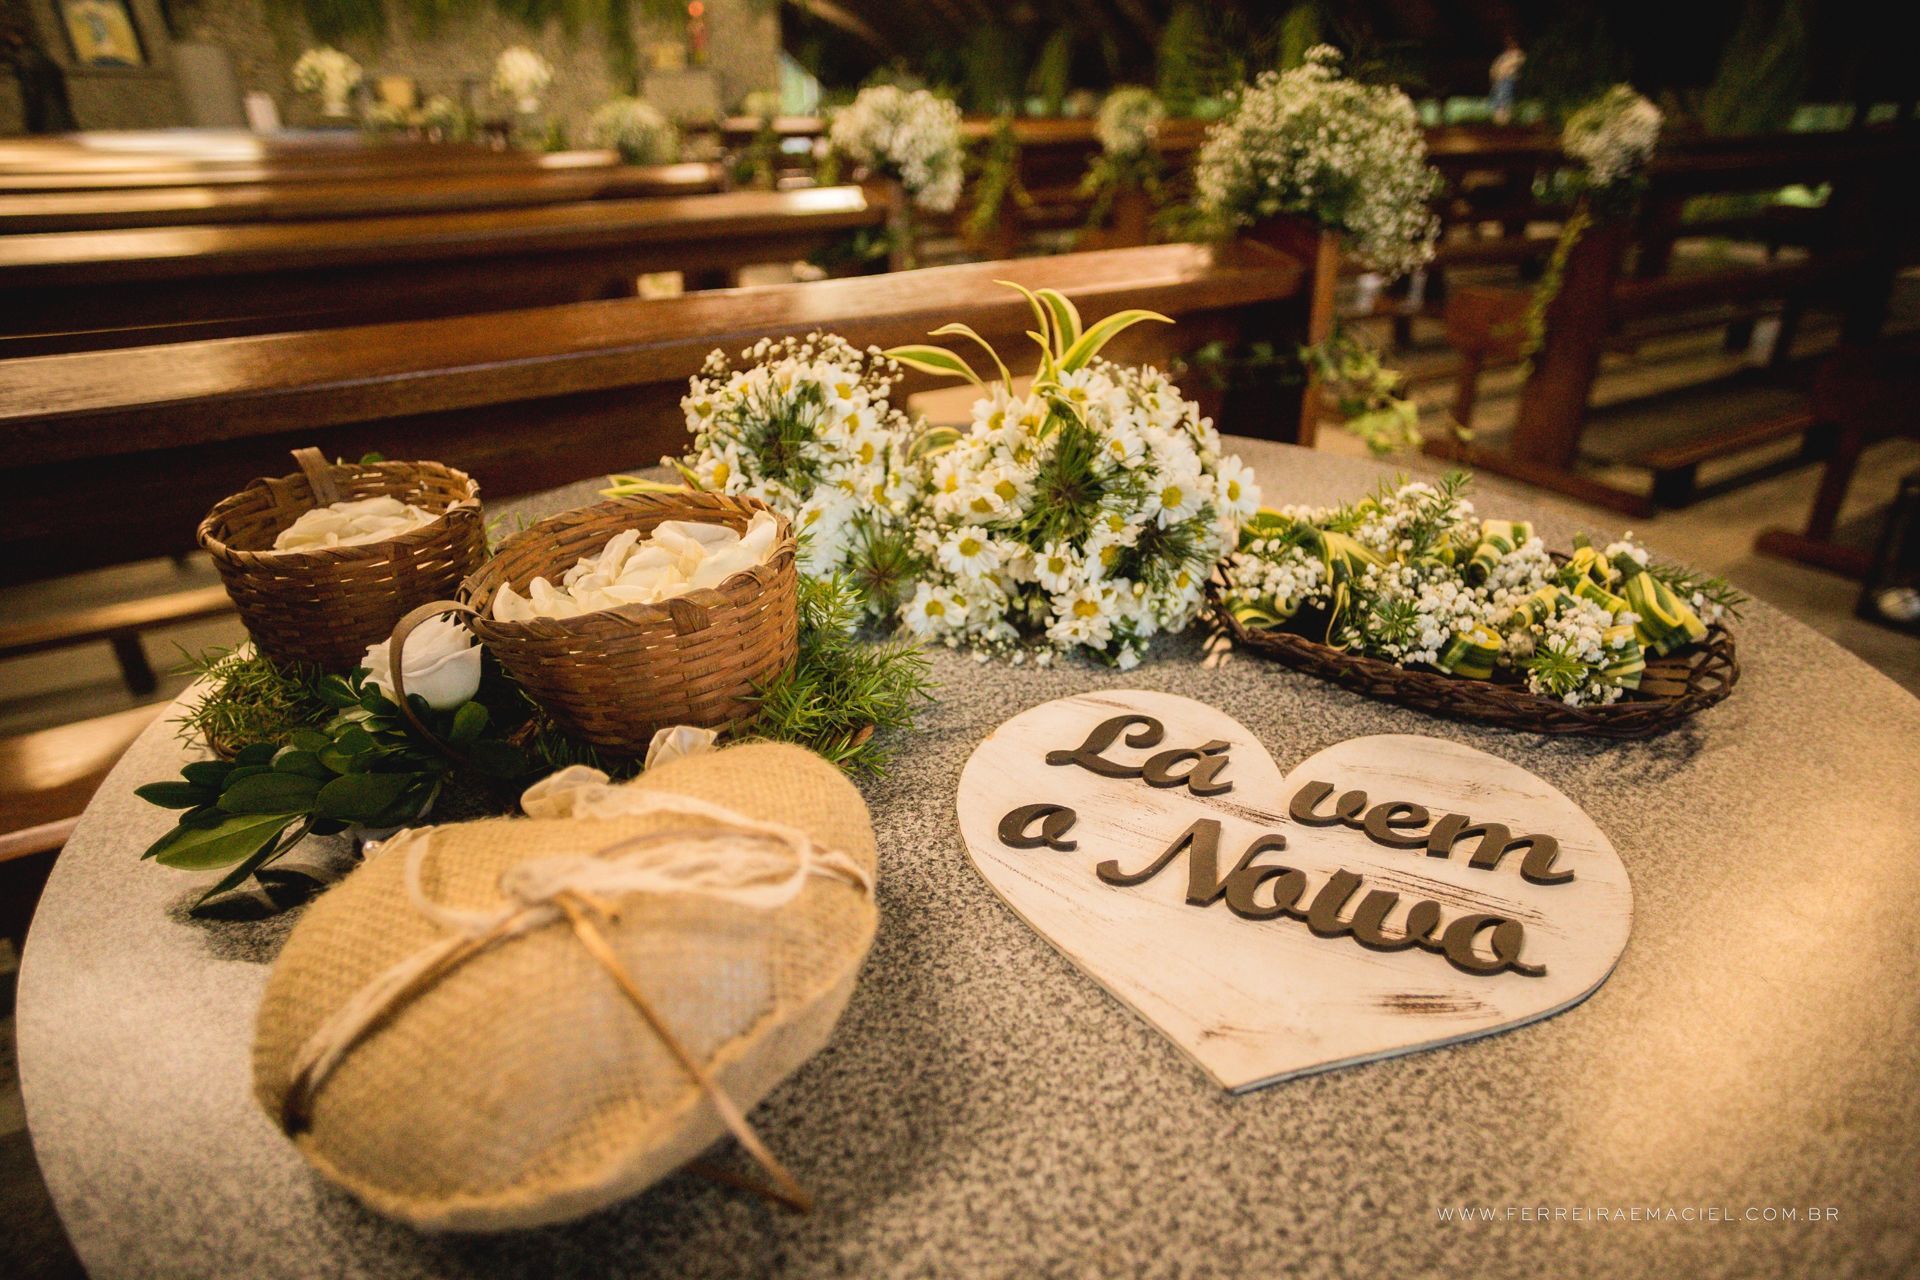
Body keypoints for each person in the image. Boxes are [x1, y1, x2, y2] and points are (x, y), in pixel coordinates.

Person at [1489, 36, 1524, 125]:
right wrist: (1495, 77)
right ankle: (1498, 119)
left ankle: (1504, 119)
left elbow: (1514, 65)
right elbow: (1496, 67)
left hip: (1508, 79)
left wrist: (1506, 72)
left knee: (1505, 98)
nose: (1510, 45)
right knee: (1497, 98)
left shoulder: (1518, 54)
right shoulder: (1504, 55)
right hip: (1499, 80)